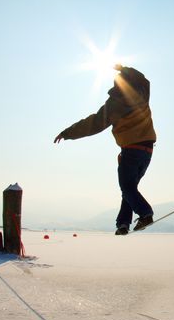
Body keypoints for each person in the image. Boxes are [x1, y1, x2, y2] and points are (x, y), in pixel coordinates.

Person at [54, 64, 156, 235]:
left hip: (131, 149)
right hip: (147, 150)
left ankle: (146, 214)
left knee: (127, 187)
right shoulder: (142, 94)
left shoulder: (115, 104)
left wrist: (67, 133)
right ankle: (123, 224)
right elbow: (143, 80)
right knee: (129, 188)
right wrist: (124, 68)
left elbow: (93, 124)